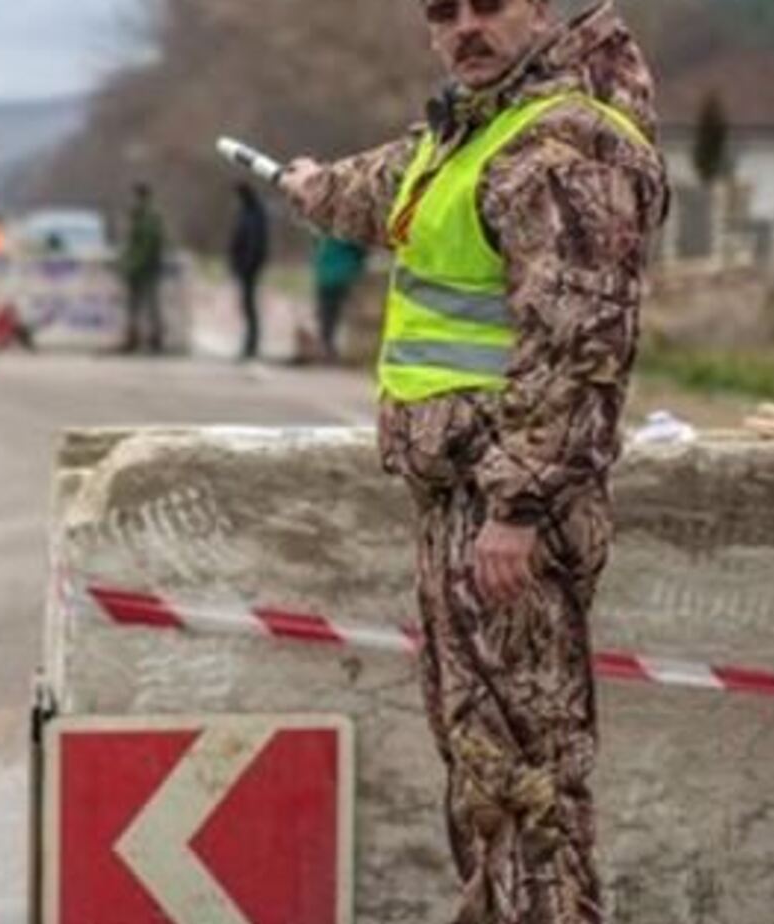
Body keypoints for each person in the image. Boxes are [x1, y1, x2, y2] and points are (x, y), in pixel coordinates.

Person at [278, 2, 668, 921]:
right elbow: (381, 192)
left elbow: (579, 346)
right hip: (462, 501)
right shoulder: (473, 129)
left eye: (489, 6)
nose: (465, 28)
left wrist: (518, 508)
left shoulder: (564, 145)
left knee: (531, 785)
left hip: (509, 519)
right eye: (443, 13)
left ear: (540, 9)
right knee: (485, 771)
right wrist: (304, 185)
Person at [118, 183, 168, 354]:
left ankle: (154, 339)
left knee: (149, 305)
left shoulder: (148, 217)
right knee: (136, 306)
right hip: (140, 268)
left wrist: (131, 265)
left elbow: (146, 247)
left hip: (146, 269)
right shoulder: (139, 215)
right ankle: (135, 338)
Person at [228, 182, 270, 361]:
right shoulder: (249, 214)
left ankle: (251, 345)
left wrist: (245, 266)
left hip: (249, 269)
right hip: (246, 267)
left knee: (249, 307)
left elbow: (253, 245)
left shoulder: (254, 216)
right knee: (247, 307)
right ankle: (249, 344)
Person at [312, 235, 367, 362]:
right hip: (342, 276)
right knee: (338, 314)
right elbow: (360, 251)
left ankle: (326, 347)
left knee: (326, 315)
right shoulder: (348, 234)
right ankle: (331, 349)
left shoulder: (325, 234)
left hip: (324, 276)